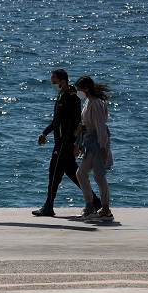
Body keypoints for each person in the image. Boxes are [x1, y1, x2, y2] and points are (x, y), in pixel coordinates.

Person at [33, 69, 100, 217]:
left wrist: (75, 143)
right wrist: (45, 132)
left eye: (54, 82)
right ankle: (95, 201)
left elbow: (76, 121)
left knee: (54, 172)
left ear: (63, 81)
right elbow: (57, 120)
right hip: (60, 141)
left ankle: (48, 206)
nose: (53, 85)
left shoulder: (72, 97)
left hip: (65, 143)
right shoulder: (61, 95)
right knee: (72, 173)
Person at [74, 75, 115, 221]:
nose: (78, 92)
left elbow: (100, 126)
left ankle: (101, 209)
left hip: (97, 142)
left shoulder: (96, 103)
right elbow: (84, 124)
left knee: (95, 175)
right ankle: (97, 208)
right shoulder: (87, 102)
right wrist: (77, 142)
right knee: (89, 175)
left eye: (79, 89)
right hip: (89, 141)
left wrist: (103, 147)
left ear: (86, 89)